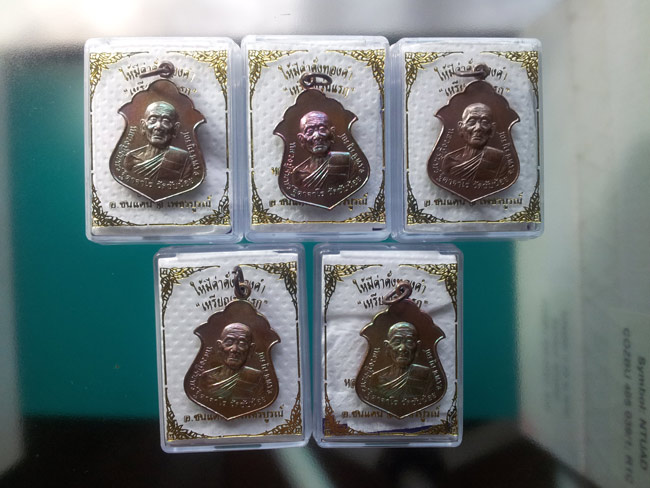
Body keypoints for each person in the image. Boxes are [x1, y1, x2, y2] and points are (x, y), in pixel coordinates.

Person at [123, 101, 192, 181]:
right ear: (143, 126)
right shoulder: (132, 157)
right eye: (153, 120)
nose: (158, 127)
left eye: (166, 121)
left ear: (175, 128)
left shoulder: (183, 159)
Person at [198, 323, 264, 401]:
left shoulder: (257, 378)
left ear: (251, 349)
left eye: (242, 344)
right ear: (219, 346)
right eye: (229, 342)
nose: (234, 349)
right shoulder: (207, 377)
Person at [369, 322, 435, 400]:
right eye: (397, 342)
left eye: (409, 342)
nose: (402, 349)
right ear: (387, 346)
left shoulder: (426, 375)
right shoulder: (377, 377)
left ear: (417, 346)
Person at [441, 102, 506, 181]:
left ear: (492, 130)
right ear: (460, 128)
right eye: (472, 122)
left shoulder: (500, 159)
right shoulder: (450, 160)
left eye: (484, 122)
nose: (478, 128)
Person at [290, 111, 352, 190]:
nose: (317, 136)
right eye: (310, 132)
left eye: (322, 130)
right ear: (301, 139)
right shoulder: (299, 173)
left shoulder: (346, 162)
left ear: (332, 133)